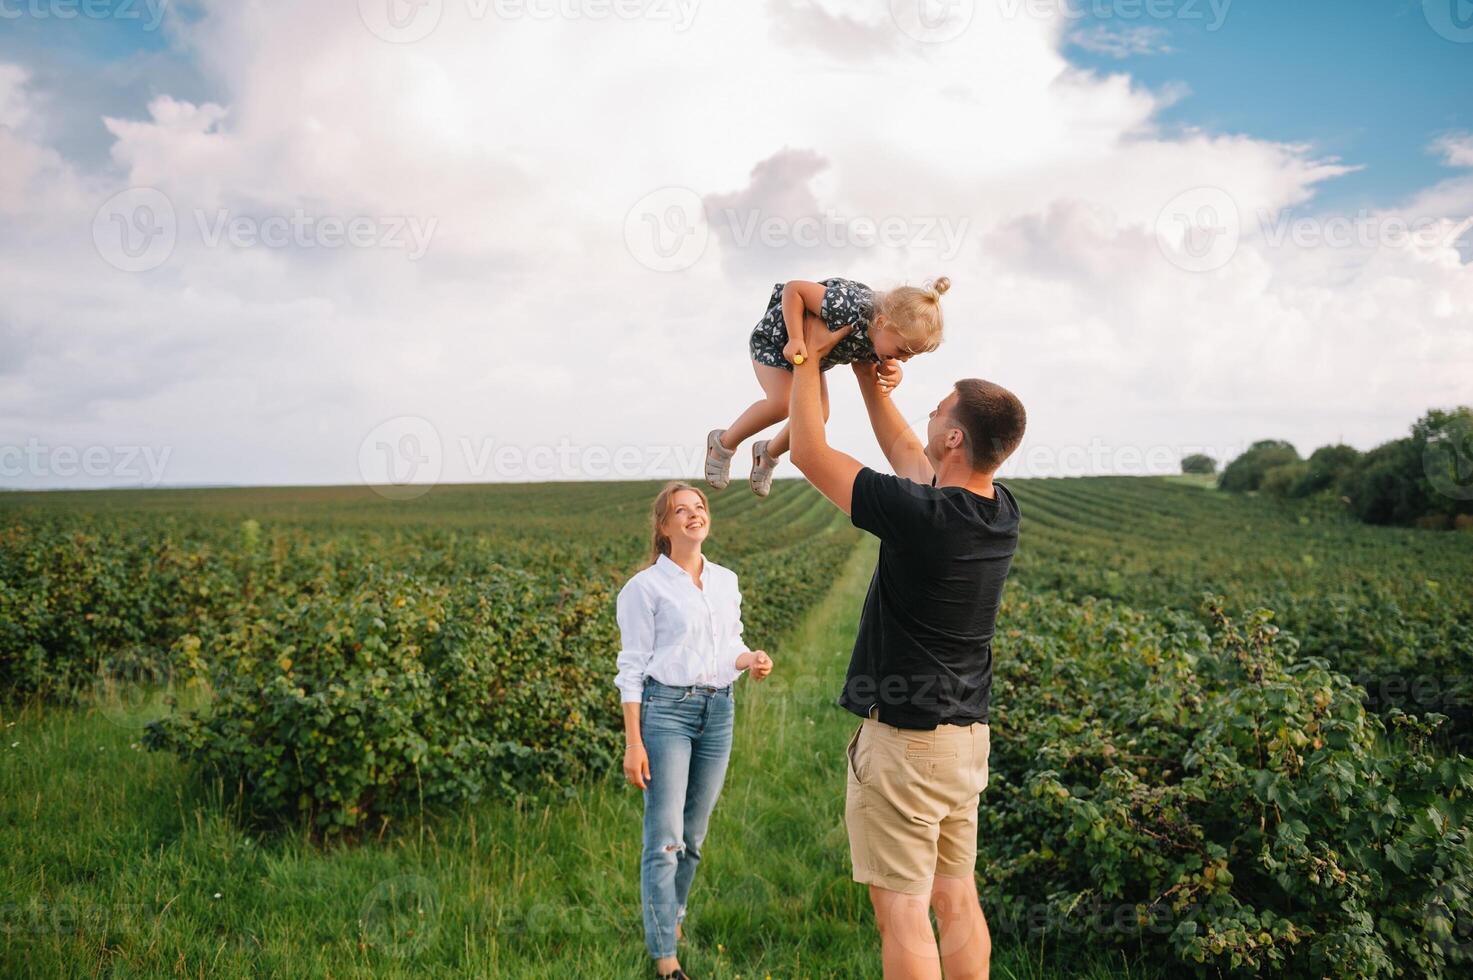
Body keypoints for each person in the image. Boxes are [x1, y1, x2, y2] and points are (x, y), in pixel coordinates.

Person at [786, 316, 1027, 980]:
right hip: (963, 743)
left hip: (907, 745)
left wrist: (808, 358)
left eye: (939, 407)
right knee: (955, 900)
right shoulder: (996, 510)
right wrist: (869, 375)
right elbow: (910, 456)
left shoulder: (921, 517)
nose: (927, 407)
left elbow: (808, 452)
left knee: (901, 913)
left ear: (953, 436)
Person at [613, 481, 775, 980]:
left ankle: (672, 916)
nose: (693, 515)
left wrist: (750, 659)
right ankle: (665, 957)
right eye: (680, 511)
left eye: (699, 507)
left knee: (695, 834)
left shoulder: (725, 580)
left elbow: (729, 644)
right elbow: (633, 667)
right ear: (664, 527)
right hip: (666, 713)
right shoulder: (643, 588)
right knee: (665, 837)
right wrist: (633, 742)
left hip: (719, 710)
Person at [705, 276, 949, 497]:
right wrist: (796, 338)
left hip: (814, 358)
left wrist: (893, 371)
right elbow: (794, 289)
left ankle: (767, 453)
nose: (904, 358)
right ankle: (723, 444)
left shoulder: (883, 333)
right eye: (902, 351)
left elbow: (883, 356)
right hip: (776, 341)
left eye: (911, 356)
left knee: (817, 416)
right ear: (882, 322)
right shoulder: (845, 306)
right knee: (781, 403)